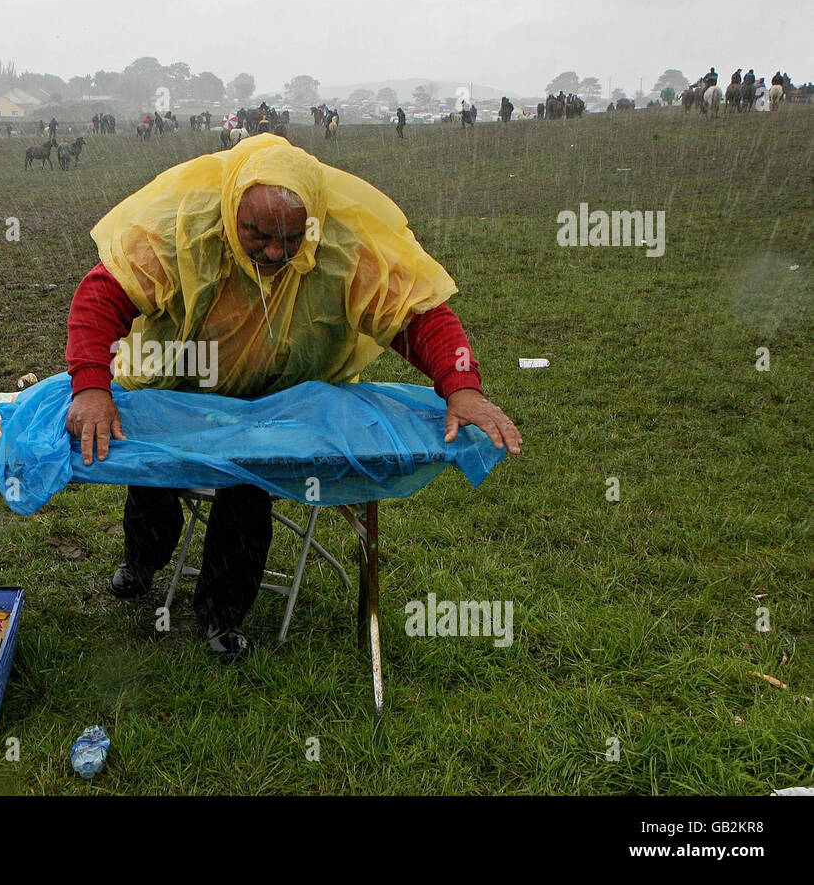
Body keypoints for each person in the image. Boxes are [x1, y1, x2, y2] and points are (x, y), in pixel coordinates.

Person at [63, 134, 522, 659]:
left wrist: (461, 387)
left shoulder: (344, 246)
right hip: (183, 388)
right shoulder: (183, 230)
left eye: (290, 239)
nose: (275, 253)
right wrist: (92, 386)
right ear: (232, 210)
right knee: (152, 468)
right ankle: (142, 560)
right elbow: (102, 295)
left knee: (249, 485)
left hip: (277, 405)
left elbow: (419, 315)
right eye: (256, 234)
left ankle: (221, 615)